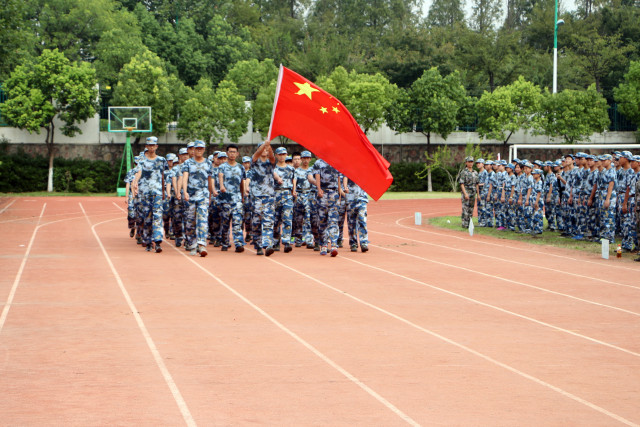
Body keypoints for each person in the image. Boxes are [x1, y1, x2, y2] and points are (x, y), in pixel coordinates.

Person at [131, 136, 168, 253]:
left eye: (153, 145)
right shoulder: (142, 160)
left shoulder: (162, 160)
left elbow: (164, 177)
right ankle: (147, 241)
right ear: (146, 146)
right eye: (149, 145)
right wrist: (135, 183)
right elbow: (138, 172)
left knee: (157, 217)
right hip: (145, 193)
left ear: (156, 146)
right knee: (147, 218)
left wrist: (164, 192)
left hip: (157, 193)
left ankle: (157, 241)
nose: (151, 147)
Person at [182, 140, 215, 257]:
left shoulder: (208, 163)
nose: (199, 150)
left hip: (203, 196)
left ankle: (202, 244)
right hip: (190, 196)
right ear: (193, 150)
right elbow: (185, 177)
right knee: (190, 221)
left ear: (204, 150)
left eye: (201, 148)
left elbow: (210, 180)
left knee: (202, 220)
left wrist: (211, 194)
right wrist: (185, 191)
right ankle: (192, 244)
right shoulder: (187, 163)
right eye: (197, 148)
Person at [248, 141, 276, 256]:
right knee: (256, 221)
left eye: (266, 149)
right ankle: (258, 244)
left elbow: (273, 158)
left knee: (268, 220)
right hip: (256, 196)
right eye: (262, 149)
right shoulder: (254, 162)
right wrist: (264, 145)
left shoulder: (270, 163)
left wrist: (268, 147)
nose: (264, 150)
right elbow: (256, 155)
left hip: (269, 196)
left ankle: (268, 244)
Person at [218, 144, 246, 252]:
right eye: (230, 152)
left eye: (234, 152)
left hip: (237, 199)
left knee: (237, 222)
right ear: (227, 153)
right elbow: (220, 176)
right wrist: (221, 186)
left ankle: (238, 243)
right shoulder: (222, 167)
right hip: (225, 199)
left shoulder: (240, 167)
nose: (232, 154)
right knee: (225, 222)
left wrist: (242, 197)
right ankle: (225, 242)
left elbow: (241, 183)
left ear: (237, 154)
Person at [314, 157, 343, 256]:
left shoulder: (336, 161)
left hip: (333, 193)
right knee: (322, 220)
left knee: (333, 220)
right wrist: (318, 189)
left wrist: (339, 192)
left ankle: (334, 244)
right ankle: (323, 245)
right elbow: (317, 176)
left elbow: (339, 178)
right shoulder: (319, 162)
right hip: (323, 193)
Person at [272, 147, 295, 253]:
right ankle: (275, 241)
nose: (282, 156)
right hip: (275, 195)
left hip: (287, 195)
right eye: (280, 154)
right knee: (275, 220)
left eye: (284, 154)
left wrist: (293, 191)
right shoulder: (273, 169)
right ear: (276, 155)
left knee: (287, 219)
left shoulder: (291, 169)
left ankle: (286, 242)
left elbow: (294, 181)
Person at [343, 176, 369, 252]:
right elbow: (345, 177)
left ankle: (364, 242)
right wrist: (345, 187)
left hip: (362, 198)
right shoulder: (349, 168)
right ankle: (353, 243)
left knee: (362, 220)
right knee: (351, 223)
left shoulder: (365, 170)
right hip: (350, 198)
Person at [292, 150, 313, 247]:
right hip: (299, 195)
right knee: (298, 219)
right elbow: (294, 180)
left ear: (310, 159)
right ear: (301, 159)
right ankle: (298, 239)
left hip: (309, 195)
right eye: (303, 158)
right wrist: (294, 190)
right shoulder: (297, 171)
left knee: (308, 218)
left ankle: (309, 240)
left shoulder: (312, 170)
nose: (305, 160)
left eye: (307, 158)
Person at [459, 156, 478, 229]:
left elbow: (476, 183)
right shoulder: (464, 172)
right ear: (466, 162)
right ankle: (464, 224)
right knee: (465, 209)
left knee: (471, 209)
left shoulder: (475, 172)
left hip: (473, 193)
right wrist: (465, 193)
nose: (470, 163)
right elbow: (461, 184)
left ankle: (470, 223)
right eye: (469, 162)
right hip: (466, 192)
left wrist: (477, 193)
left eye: (472, 162)